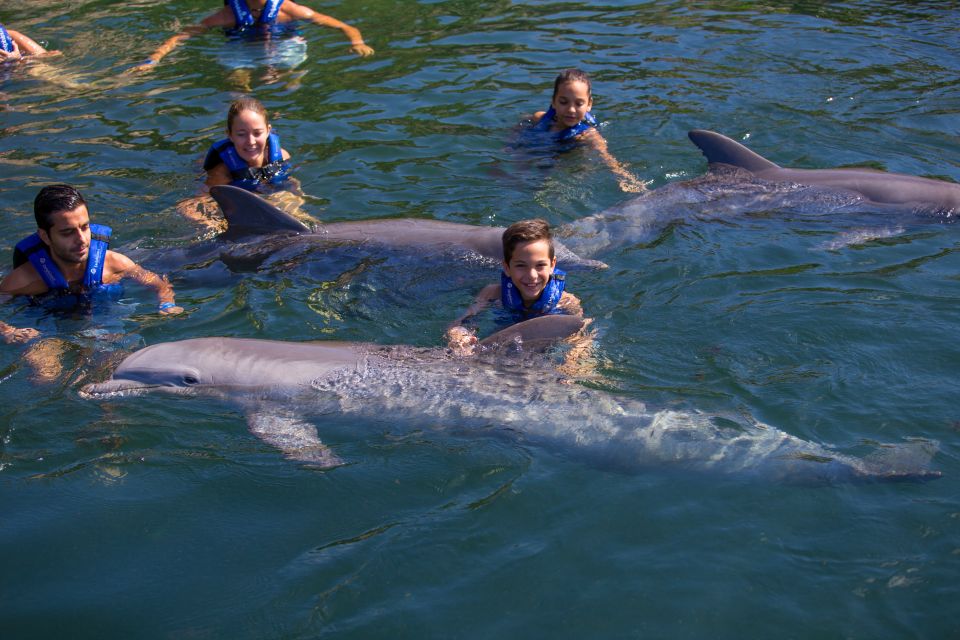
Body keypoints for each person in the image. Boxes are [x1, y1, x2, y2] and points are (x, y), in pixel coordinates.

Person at [0, 184, 184, 345]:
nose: (81, 239)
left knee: (114, 354)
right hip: (47, 323)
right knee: (45, 375)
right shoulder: (24, 280)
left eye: (85, 227)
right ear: (45, 236)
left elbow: (158, 284)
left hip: (103, 321)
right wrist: (9, 331)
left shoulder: (114, 264)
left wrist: (167, 304)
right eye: (67, 233)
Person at [445, 218, 584, 356]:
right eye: (521, 266)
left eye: (540, 265)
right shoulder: (493, 293)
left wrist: (571, 361)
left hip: (547, 347)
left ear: (552, 265)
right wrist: (460, 337)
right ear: (506, 267)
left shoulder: (566, 301)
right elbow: (460, 323)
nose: (532, 275)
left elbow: (581, 334)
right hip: (503, 343)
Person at [177, 96, 312, 231]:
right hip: (237, 193)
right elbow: (188, 206)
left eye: (257, 133)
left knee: (286, 200)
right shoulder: (223, 171)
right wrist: (216, 226)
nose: (251, 141)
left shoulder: (281, 156)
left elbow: (290, 184)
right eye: (241, 134)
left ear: (268, 131)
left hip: (260, 192)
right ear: (230, 135)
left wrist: (299, 204)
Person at [129, 0, 374, 73]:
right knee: (238, 83)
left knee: (290, 78)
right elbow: (181, 36)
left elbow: (343, 26)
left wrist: (357, 41)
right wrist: (154, 58)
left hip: (285, 44)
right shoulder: (227, 15)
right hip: (241, 47)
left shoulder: (290, 10)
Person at [526, 68, 648, 193]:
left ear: (589, 104)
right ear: (553, 101)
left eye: (579, 104)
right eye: (564, 102)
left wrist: (624, 177)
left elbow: (607, 158)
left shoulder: (588, 135)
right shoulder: (539, 118)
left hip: (568, 168)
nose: (571, 110)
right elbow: (520, 128)